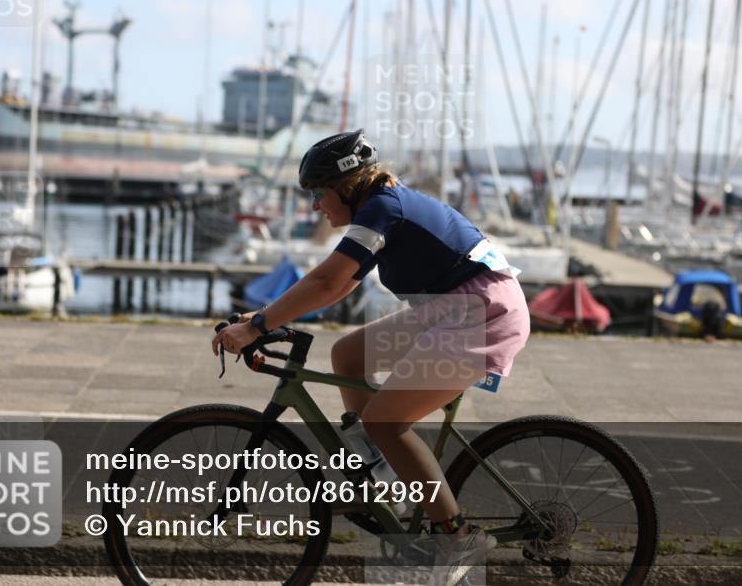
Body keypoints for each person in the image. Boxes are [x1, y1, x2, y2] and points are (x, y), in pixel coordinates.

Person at [213, 129, 531, 586]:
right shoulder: (381, 206)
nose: (317, 206)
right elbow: (340, 284)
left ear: (346, 186)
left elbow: (327, 282)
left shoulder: (383, 207)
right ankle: (377, 477)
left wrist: (256, 328)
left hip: (482, 315)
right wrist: (259, 316)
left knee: (385, 420)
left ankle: (457, 535)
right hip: (455, 308)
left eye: (320, 194)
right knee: (348, 353)